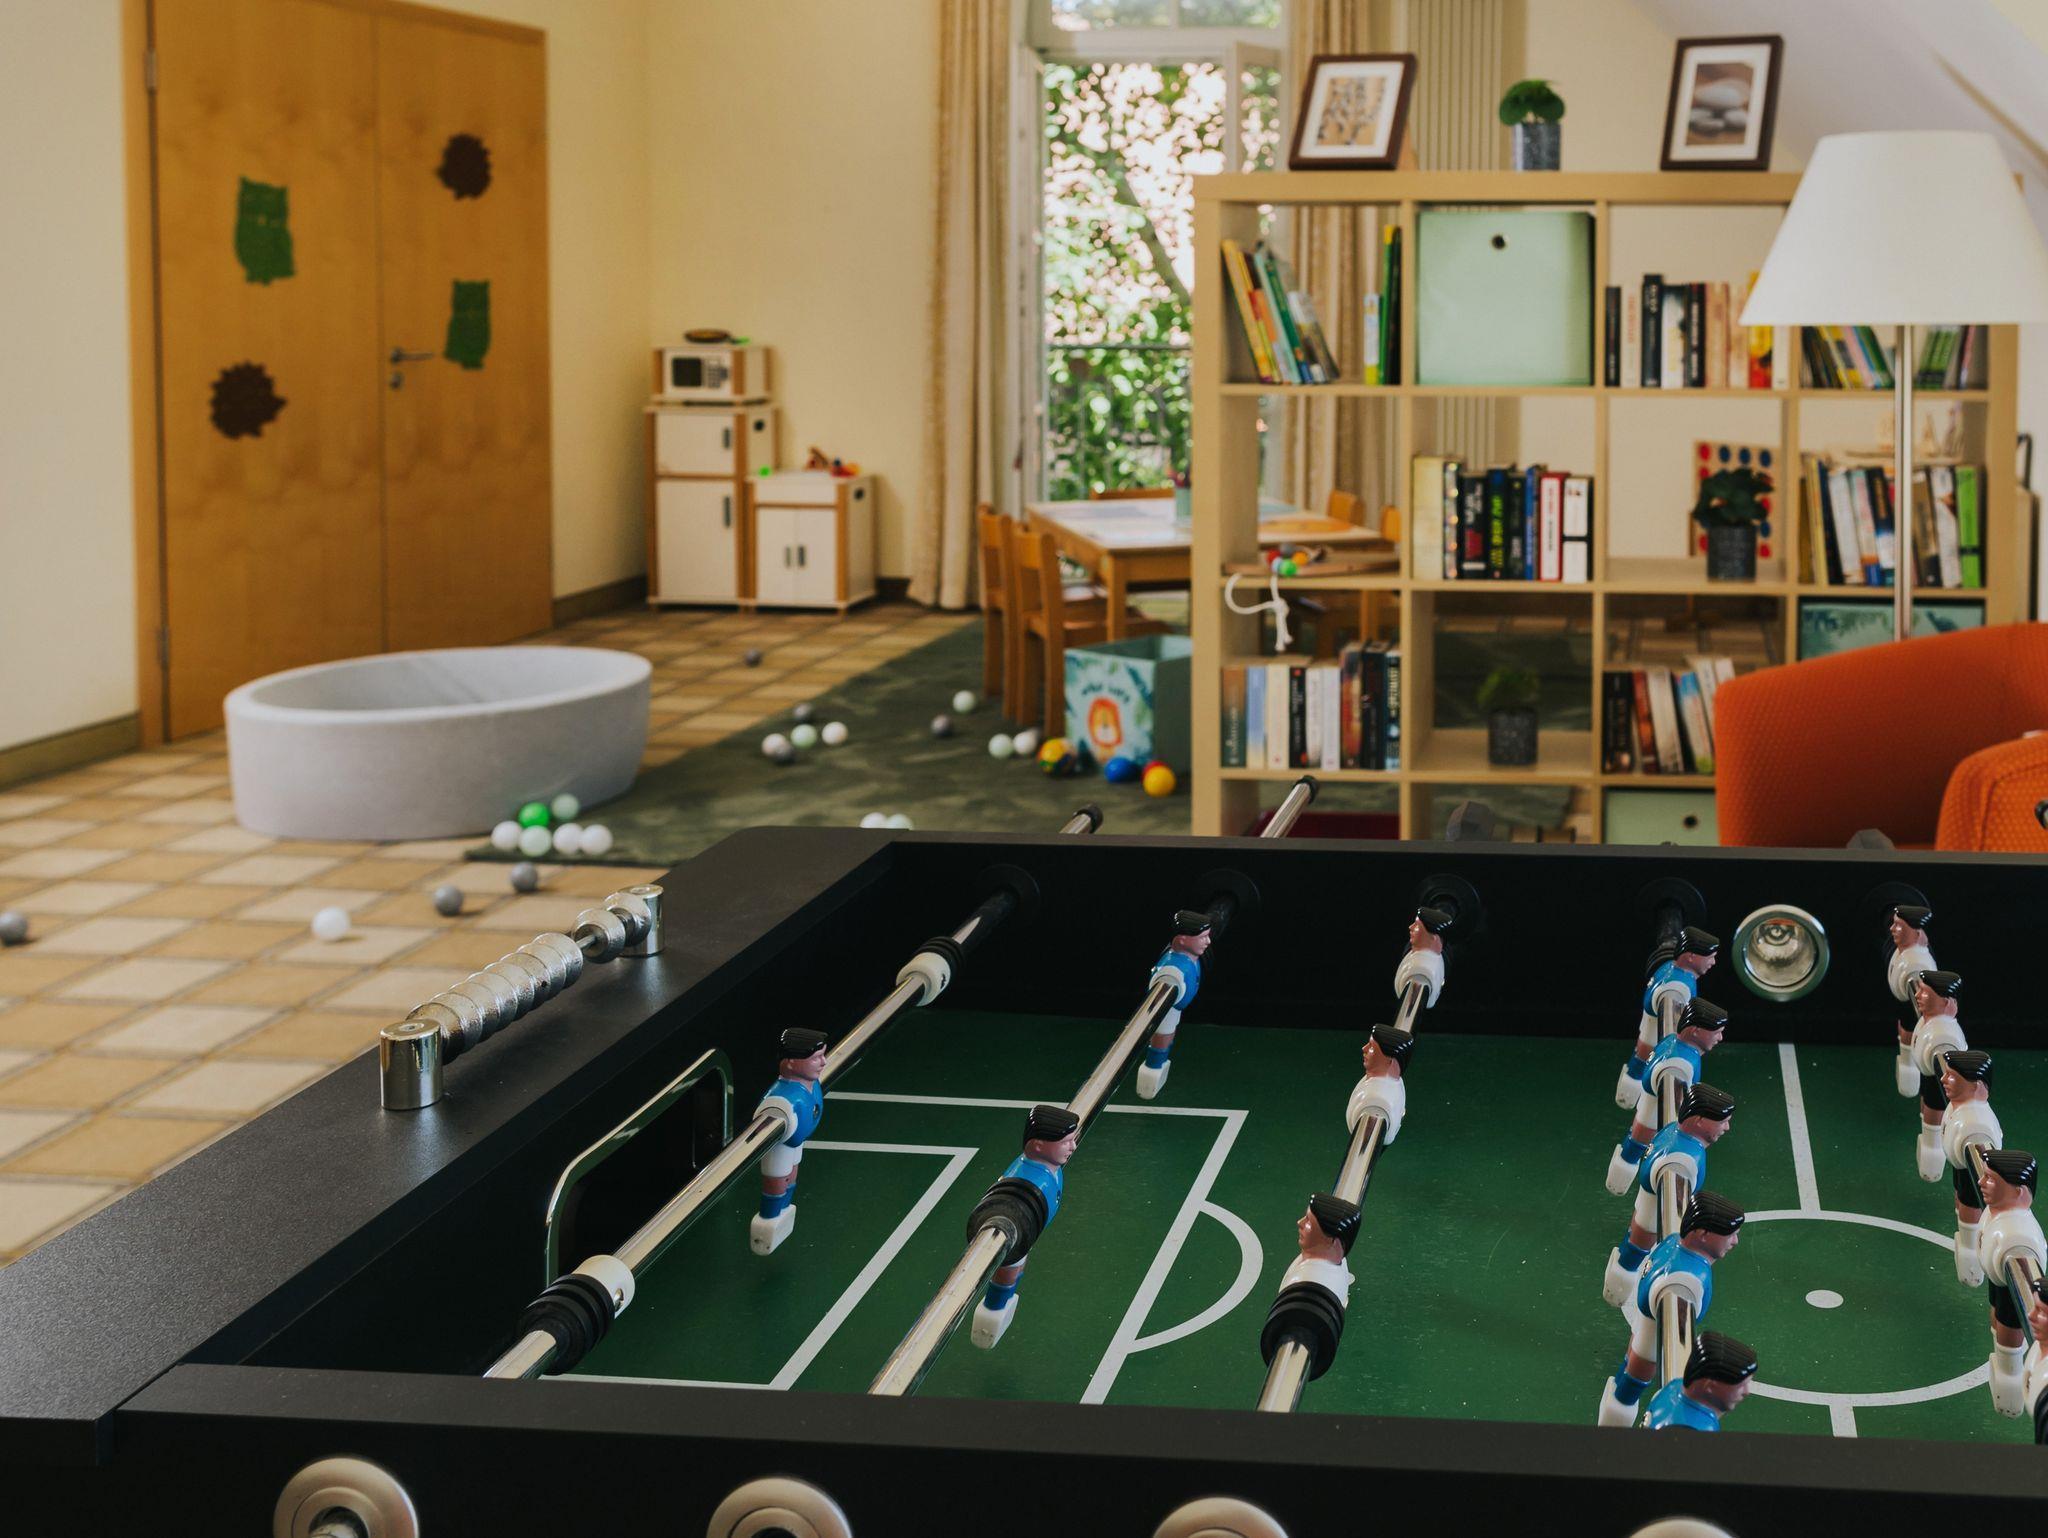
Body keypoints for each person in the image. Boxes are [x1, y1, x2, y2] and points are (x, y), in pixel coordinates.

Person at [1598, 1192, 1745, 1426]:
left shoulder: (1673, 1245)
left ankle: (1615, 1419)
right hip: (1655, 1315)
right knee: (1637, 1368)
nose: (1735, 1241)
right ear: (1704, 1234)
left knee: (1634, 1369)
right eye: (1730, 1234)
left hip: (1649, 1318)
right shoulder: (1684, 1282)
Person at [1604, 1083, 1736, 1307]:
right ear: (1700, 1120)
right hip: (1654, 1221)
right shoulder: (1681, 1160)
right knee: (1637, 1245)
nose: (1727, 1127)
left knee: (1634, 1246)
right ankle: (1616, 1290)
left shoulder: (1673, 1135)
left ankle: (1616, 1287)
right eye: (1722, 1121)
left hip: (1649, 1217)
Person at [971, 1104, 1081, 1348]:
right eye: (1066, 1142)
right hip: (1015, 1230)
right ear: (1038, 1146)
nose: (1073, 1147)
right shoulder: (1028, 1179)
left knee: (1018, 1264)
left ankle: (1001, 1301)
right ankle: (993, 1309)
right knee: (1009, 1269)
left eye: (1073, 1140)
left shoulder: (1050, 1165)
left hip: (1029, 1230)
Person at [1606, 998, 1729, 1194]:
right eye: (1716, 1032)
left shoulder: (1674, 1045)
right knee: (1637, 1144)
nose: (1720, 1038)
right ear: (1696, 1030)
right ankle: (1617, 1183)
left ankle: (1618, 1180)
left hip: (1653, 1117)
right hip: (1655, 1117)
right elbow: (1674, 1109)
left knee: (1636, 1145)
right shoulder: (1679, 1065)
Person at [1975, 1148, 2045, 1417]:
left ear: (2018, 1192)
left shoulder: (2018, 1240)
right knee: (1999, 1318)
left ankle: (2009, 1380)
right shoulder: (1997, 1216)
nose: (1981, 1182)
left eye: (1991, 1179)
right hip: (1998, 1278)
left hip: (2007, 1284)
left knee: (2007, 1322)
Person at [1617, 928, 1719, 1108]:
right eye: (1709, 957)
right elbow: (1672, 1030)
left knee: (1641, 1060)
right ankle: (1628, 1096)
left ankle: (1629, 1092)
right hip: (1655, 1040)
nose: (1713, 962)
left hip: (1651, 1036)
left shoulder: (1672, 969)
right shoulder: (1677, 987)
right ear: (1691, 956)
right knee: (1644, 1063)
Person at [751, 1028, 829, 1255]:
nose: (823, 1062)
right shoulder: (780, 1100)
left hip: (797, 1140)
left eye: (823, 1055)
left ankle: (782, 1210)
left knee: (791, 1174)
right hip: (781, 1146)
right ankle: (769, 1219)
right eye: (816, 1058)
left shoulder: (810, 1084)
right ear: (792, 1064)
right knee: (779, 1178)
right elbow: (762, 1125)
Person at [1938, 1049, 2002, 1285]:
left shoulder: (1975, 1125)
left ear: (1975, 1086)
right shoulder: (1960, 1111)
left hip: (1968, 1163)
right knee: (1963, 1193)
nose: (1943, 1078)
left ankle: (1971, 1254)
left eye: (1952, 1076)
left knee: (1969, 1195)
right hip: (1960, 1159)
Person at [1139, 911, 1214, 1100]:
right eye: (1203, 938)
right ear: (1182, 940)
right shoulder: (1172, 972)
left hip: (1177, 1006)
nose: (1208, 942)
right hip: (1168, 1010)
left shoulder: (1191, 957)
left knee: (1167, 1034)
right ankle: (1152, 1071)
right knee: (1163, 1035)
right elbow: (1158, 996)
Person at [1907, 971, 1966, 1182]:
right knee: (1928, 1099)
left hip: (1938, 1083)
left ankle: (1932, 1154)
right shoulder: (1929, 1024)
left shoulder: (1945, 1038)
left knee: (1934, 1103)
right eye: (1920, 990)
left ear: (1946, 1002)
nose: (1918, 995)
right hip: (1927, 1070)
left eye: (1925, 992)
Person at [1641, 1331, 1758, 1432]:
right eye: (1741, 1386)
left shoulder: (1674, 1386)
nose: (1746, 1392)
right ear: (1710, 1386)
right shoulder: (1697, 1432)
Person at [1887, 904, 1936, 1096]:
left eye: (1899, 926)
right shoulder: (1901, 955)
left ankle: (1909, 1062)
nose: (1892, 929)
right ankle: (1908, 1060)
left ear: (1916, 933)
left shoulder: (1919, 965)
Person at [1346, 1024, 1416, 1145]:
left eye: (1372, 1047)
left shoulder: (1377, 1102)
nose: (1364, 1048)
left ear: (1390, 1061)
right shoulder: (1394, 1081)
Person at [1394, 905, 1454, 1011]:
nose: (1410, 927)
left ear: (1433, 938)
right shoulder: (1416, 956)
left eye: (1417, 926)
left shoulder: (1422, 970)